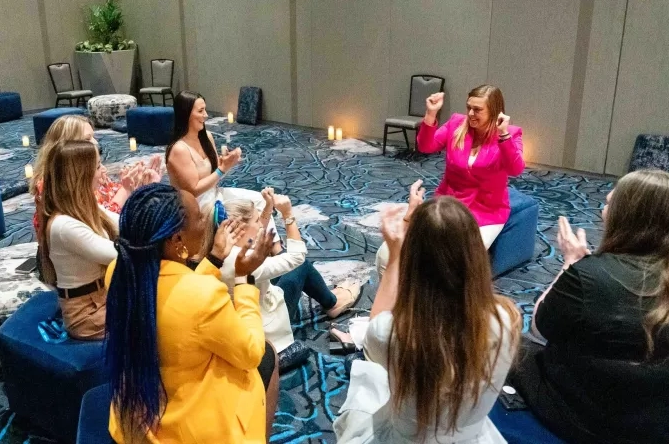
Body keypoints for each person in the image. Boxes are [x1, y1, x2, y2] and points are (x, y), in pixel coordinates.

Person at [514, 169, 669, 444]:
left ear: (625, 217)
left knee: (508, 342)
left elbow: (539, 327)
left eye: (609, 204)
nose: (603, 209)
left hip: (588, 419)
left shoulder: (589, 275)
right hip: (667, 425)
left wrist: (571, 262)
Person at [334, 193, 521, 443]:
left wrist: (395, 254)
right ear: (476, 254)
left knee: (369, 382)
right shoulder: (507, 318)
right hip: (472, 436)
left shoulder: (393, 333)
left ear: (413, 261)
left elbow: (373, 336)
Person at [104, 184, 279, 443]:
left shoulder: (118, 272)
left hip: (135, 419)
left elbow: (175, 295)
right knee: (267, 354)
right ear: (177, 240)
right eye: (198, 218)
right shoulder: (204, 295)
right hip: (189, 431)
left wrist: (215, 259)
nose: (205, 221)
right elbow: (250, 353)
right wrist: (244, 279)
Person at [375, 85, 524, 277]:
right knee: (394, 254)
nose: (471, 114)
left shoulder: (510, 133)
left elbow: (515, 169)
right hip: (447, 205)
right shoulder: (457, 123)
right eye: (469, 107)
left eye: (477, 110)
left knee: (455, 264)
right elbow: (426, 146)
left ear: (495, 111)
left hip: (486, 212)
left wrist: (504, 136)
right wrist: (431, 114)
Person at [200, 189, 361, 354]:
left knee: (281, 263)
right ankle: (332, 303)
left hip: (235, 321)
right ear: (240, 228)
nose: (260, 224)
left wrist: (268, 208)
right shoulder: (244, 262)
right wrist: (288, 215)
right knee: (300, 266)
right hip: (261, 331)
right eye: (256, 220)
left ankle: (329, 299)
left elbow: (255, 234)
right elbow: (297, 257)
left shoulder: (217, 249)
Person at [31, 114, 160, 281]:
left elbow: (117, 219)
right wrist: (128, 191)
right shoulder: (58, 201)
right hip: (73, 264)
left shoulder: (88, 179)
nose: (95, 142)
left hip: (99, 248)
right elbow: (102, 226)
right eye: (87, 139)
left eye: (93, 136)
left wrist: (143, 190)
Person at [165, 91, 280, 243]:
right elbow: (194, 190)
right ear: (185, 114)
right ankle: (254, 248)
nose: (206, 115)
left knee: (262, 200)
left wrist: (229, 163)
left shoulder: (207, 137)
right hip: (197, 208)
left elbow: (216, 176)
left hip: (215, 194)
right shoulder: (179, 149)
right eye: (200, 111)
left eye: (205, 110)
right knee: (244, 215)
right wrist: (222, 169)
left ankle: (274, 246)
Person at [39, 141, 119, 339]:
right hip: (86, 313)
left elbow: (123, 222)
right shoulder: (63, 225)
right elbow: (118, 254)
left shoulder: (84, 205)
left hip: (103, 296)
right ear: (81, 174)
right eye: (98, 166)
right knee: (156, 316)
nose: (103, 171)